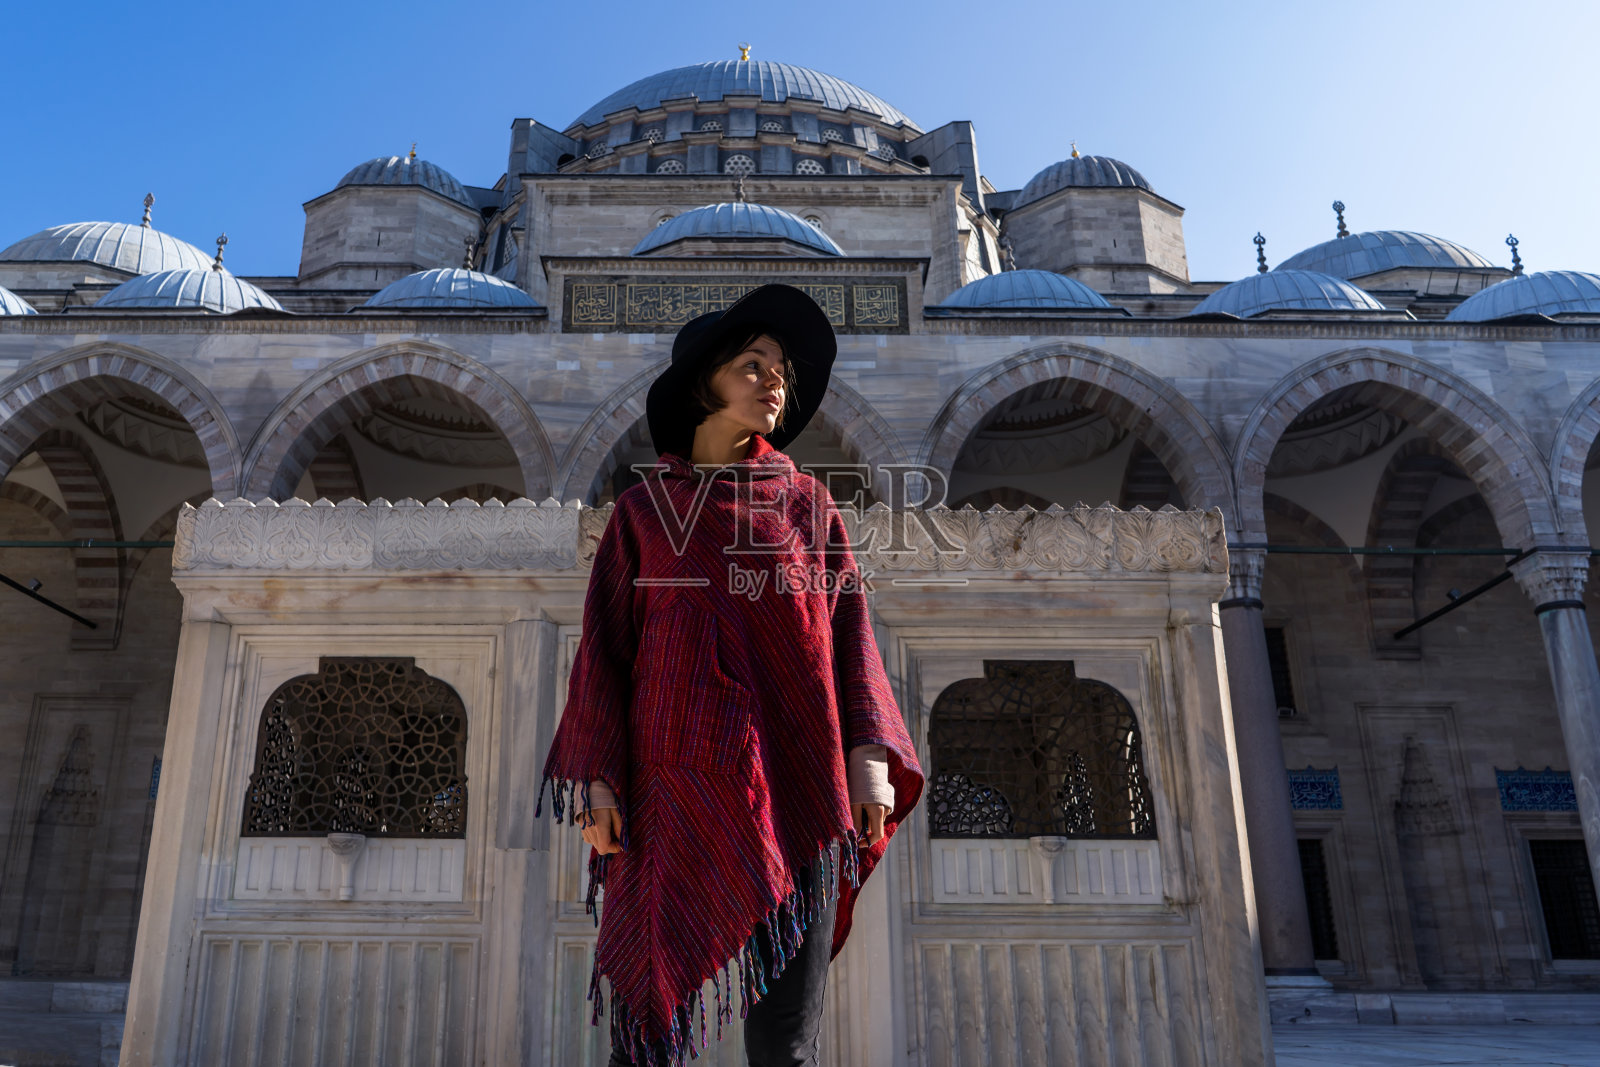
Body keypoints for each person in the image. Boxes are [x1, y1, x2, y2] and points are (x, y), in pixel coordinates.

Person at [536, 284, 924, 1067]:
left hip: (798, 793)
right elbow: (606, 651)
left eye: (781, 368)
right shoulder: (644, 511)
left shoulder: (809, 506)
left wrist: (870, 763)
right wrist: (599, 782)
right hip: (670, 799)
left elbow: (849, 636)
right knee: (644, 1033)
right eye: (753, 363)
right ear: (703, 382)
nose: (775, 378)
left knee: (785, 1046)